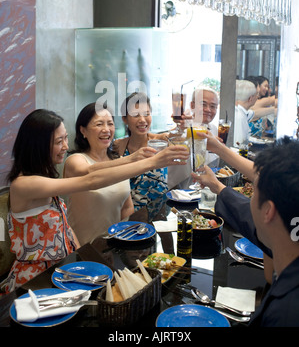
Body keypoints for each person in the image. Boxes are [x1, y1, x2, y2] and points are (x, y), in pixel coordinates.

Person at [1, 109, 189, 293]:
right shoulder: (24, 184)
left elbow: (63, 227)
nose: (65, 146)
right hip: (35, 280)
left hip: (63, 269)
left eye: (66, 138)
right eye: (59, 141)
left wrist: (83, 254)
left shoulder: (45, 180)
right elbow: (90, 180)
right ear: (38, 145)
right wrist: (151, 163)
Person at [192, 135, 299, 327]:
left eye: (254, 194)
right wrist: (218, 186)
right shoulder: (288, 236)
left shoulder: (285, 313)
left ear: (268, 211)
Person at [63, 103, 138, 245]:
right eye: (99, 124)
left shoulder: (119, 161)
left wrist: (126, 239)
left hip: (114, 244)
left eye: (110, 124)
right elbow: (89, 173)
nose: (106, 130)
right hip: (82, 247)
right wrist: (130, 159)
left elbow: (127, 207)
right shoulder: (75, 160)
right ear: (83, 131)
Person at [114, 92, 169, 218]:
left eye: (147, 114)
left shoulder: (160, 143)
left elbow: (177, 136)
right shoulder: (118, 146)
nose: (142, 120)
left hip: (160, 217)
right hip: (129, 219)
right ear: (125, 119)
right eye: (135, 115)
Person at [234, 80, 277, 146]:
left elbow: (255, 113)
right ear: (250, 98)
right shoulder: (240, 116)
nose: (258, 97)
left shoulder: (243, 112)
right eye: (256, 94)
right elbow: (239, 144)